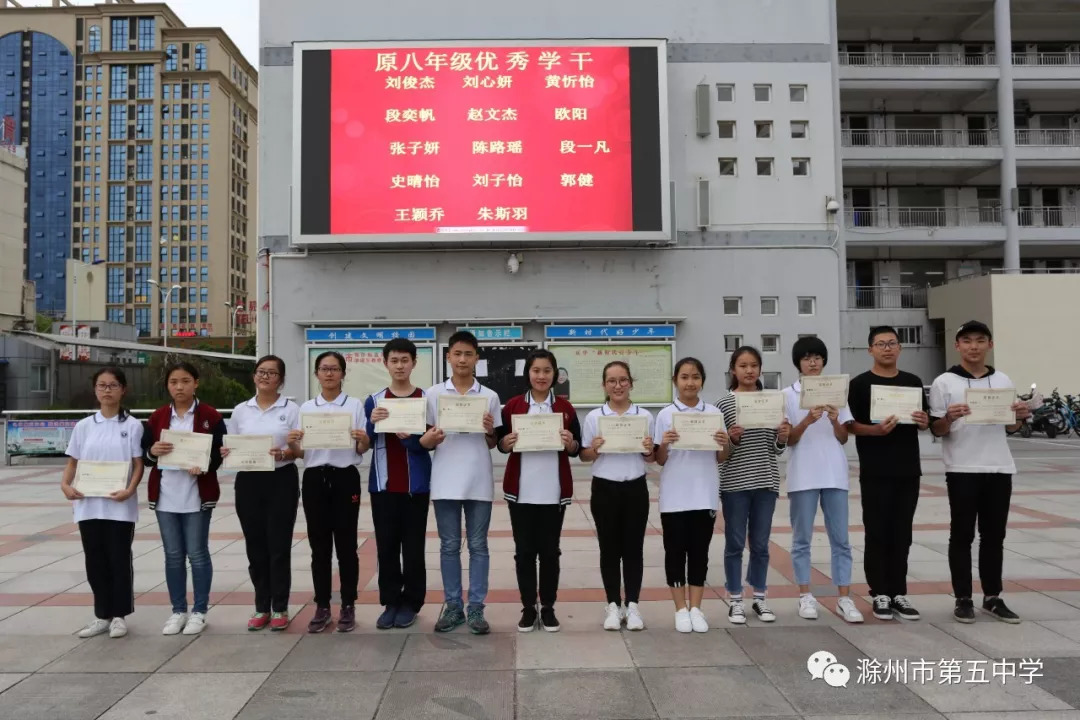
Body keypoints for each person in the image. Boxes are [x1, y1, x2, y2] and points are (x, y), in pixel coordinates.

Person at [929, 320, 1031, 624]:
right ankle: (963, 598)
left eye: (980, 340)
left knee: (994, 536)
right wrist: (949, 416)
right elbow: (937, 429)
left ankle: (992, 597)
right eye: (967, 341)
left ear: (990, 345)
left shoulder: (1002, 379)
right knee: (961, 535)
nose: (974, 346)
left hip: (999, 467)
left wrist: (1019, 417)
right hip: (962, 468)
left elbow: (1010, 427)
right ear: (958, 345)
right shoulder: (944, 382)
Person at [846, 326, 930, 621]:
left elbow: (926, 420)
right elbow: (850, 425)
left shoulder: (913, 382)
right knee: (877, 531)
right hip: (875, 470)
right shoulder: (859, 384)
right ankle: (879, 591)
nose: (887, 348)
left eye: (892, 343)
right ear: (870, 349)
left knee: (902, 532)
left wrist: (923, 421)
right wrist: (875, 430)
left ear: (899, 348)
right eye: (880, 344)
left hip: (908, 469)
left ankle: (899, 592)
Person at [498, 349, 582, 633]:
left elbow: (576, 449)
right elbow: (500, 442)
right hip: (521, 491)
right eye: (536, 371)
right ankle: (527, 608)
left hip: (553, 491)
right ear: (528, 374)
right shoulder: (511, 407)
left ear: (555, 375)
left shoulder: (566, 409)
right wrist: (504, 443)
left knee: (549, 552)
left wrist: (570, 443)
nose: (541, 376)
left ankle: (547, 607)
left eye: (547, 371)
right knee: (523, 552)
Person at [783, 337, 863, 623]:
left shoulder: (836, 393)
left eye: (817, 357)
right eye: (806, 358)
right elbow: (788, 440)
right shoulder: (788, 395)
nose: (813, 362)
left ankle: (844, 597)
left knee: (841, 539)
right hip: (803, 474)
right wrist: (806, 420)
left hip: (834, 474)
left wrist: (833, 419)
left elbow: (843, 438)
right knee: (801, 539)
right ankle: (805, 595)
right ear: (798, 363)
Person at [143, 361, 226, 636]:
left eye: (185, 381)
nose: (179, 387)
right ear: (168, 385)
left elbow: (219, 455)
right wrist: (153, 451)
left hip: (197, 496)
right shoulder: (157, 418)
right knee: (173, 556)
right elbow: (146, 456)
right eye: (174, 382)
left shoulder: (210, 416)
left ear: (196, 383)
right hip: (166, 496)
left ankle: (199, 611)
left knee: (198, 554)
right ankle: (178, 610)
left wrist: (204, 465)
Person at [365, 338, 442, 630]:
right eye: (394, 360)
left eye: (404, 360)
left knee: (412, 547)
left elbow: (430, 442)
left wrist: (411, 439)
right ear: (385, 363)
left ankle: (411, 602)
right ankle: (390, 602)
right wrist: (373, 423)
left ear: (414, 363)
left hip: (415, 486)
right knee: (385, 547)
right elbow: (365, 442)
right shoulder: (374, 400)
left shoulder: (426, 399)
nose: (399, 366)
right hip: (383, 486)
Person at [426, 331, 501, 634]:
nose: (462, 359)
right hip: (444, 479)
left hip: (478, 478)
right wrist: (431, 437)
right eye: (457, 353)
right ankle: (453, 606)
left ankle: (477, 610)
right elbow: (427, 439)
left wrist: (488, 430)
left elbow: (494, 441)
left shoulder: (490, 397)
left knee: (479, 546)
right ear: (448, 357)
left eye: (468, 354)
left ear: (476, 358)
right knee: (449, 546)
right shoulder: (432, 395)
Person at [62, 368, 144, 639]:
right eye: (102, 385)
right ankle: (102, 615)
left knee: (119, 560)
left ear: (123, 389)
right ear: (95, 390)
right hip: (88, 505)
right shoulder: (84, 426)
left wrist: (130, 490)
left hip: (119, 506)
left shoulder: (132, 425)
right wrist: (66, 485)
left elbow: (138, 464)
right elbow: (73, 461)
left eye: (113, 385)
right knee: (94, 561)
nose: (107, 390)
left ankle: (120, 615)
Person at [225, 355, 303, 632]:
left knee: (279, 546)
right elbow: (233, 445)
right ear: (254, 376)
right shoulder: (240, 410)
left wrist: (284, 452)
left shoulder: (292, 409)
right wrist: (228, 452)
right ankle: (261, 606)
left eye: (272, 373)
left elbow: (299, 450)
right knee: (255, 546)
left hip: (281, 479)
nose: (265, 377)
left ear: (281, 379)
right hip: (248, 482)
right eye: (261, 372)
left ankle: (280, 607)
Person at [654, 357, 731, 633]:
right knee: (674, 553)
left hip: (704, 493)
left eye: (695, 377)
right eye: (684, 377)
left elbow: (722, 457)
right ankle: (680, 609)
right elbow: (660, 459)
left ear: (702, 381)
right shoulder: (665, 415)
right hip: (675, 496)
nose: (690, 382)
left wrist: (725, 444)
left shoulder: (713, 413)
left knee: (699, 553)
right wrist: (664, 443)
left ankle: (697, 608)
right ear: (675, 381)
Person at [296, 350, 369, 633]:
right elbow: (301, 453)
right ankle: (322, 605)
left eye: (334, 369)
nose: (329, 374)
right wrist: (293, 444)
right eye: (324, 369)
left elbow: (362, 448)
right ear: (316, 374)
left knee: (347, 545)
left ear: (343, 373)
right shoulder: (306, 408)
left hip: (345, 477)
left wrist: (363, 440)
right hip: (315, 477)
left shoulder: (354, 405)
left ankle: (348, 603)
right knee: (319, 546)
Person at [716, 347, 790, 625]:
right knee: (734, 543)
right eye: (743, 365)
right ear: (733, 370)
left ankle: (760, 597)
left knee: (760, 544)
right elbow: (720, 450)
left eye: (754, 365)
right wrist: (732, 440)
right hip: (735, 483)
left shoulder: (772, 401)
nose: (749, 370)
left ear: (760, 369)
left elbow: (776, 449)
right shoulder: (724, 403)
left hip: (766, 481)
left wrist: (783, 437)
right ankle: (735, 598)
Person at [579, 361, 655, 631]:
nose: (618, 385)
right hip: (604, 489)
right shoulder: (594, 417)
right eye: (612, 381)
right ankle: (612, 605)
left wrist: (648, 449)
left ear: (631, 383)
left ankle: (632, 606)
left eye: (623, 380)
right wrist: (595, 449)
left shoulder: (644, 416)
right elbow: (584, 455)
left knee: (634, 549)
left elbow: (653, 457)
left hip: (635, 487)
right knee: (609, 550)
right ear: (604, 385)